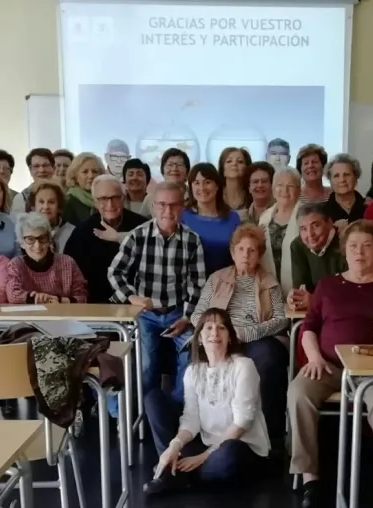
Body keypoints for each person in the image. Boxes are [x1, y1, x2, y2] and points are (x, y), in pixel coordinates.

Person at [288, 220, 373, 507]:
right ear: (344, 251)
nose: (360, 252)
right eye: (354, 246)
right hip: (328, 366)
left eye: (367, 246)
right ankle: (309, 478)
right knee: (298, 393)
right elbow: (309, 328)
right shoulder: (328, 285)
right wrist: (315, 358)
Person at [143, 308, 270, 496]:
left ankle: (177, 474)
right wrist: (174, 446)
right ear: (200, 338)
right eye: (208, 327)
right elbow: (191, 419)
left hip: (240, 446)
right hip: (206, 443)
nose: (215, 333)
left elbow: (242, 422)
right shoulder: (193, 371)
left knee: (229, 455)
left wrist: (203, 457)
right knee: (153, 399)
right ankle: (173, 464)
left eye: (221, 328)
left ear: (230, 337)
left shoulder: (244, 366)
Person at [190, 224, 289, 445]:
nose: (246, 255)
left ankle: (270, 434)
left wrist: (249, 332)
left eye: (252, 250)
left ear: (260, 255)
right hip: (220, 337)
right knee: (197, 358)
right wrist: (215, 330)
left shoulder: (269, 282)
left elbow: (281, 319)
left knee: (268, 358)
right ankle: (202, 430)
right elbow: (197, 315)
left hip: (256, 339)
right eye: (241, 249)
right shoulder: (216, 278)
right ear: (233, 253)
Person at [108, 181, 206, 402]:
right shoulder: (137, 236)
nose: (167, 211)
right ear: (153, 206)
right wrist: (131, 296)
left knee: (192, 357)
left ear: (182, 207)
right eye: (162, 204)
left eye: (174, 205)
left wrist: (187, 317)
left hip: (178, 313)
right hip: (146, 315)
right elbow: (115, 272)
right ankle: (147, 410)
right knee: (147, 365)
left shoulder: (192, 240)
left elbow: (197, 284)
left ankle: (177, 407)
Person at [65, 174, 147, 303]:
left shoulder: (142, 225)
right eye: (103, 198)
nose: (110, 204)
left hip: (137, 301)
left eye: (115, 197)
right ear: (95, 201)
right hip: (96, 304)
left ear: (123, 198)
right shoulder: (81, 233)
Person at [6, 212, 87, 304]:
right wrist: (38, 298)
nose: (37, 246)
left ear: (49, 240)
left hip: (62, 312)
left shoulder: (68, 262)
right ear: (21, 243)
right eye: (30, 239)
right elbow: (12, 295)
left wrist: (58, 300)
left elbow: (82, 297)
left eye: (42, 238)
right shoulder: (15, 264)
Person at [181, 163, 242, 275]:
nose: (202, 188)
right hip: (190, 280)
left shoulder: (233, 218)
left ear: (217, 186)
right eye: (196, 183)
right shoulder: (182, 217)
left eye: (207, 182)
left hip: (225, 280)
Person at [287, 204, 346, 312]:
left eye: (315, 226)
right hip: (315, 312)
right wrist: (295, 299)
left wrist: (315, 299)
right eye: (304, 229)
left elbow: (351, 292)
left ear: (329, 223)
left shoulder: (346, 242)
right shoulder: (298, 246)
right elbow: (301, 289)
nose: (310, 234)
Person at [259, 168, 301, 294]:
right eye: (279, 185)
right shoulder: (264, 218)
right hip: (269, 287)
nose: (284, 190)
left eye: (290, 186)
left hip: (299, 286)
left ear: (299, 190)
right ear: (273, 190)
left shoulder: (306, 216)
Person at [140, 148, 191, 219]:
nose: (174, 169)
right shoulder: (151, 198)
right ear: (162, 170)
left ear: (187, 171)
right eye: (170, 165)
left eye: (179, 165)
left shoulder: (196, 196)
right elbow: (143, 223)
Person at [322, 153, 366, 227]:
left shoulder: (370, 207)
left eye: (347, 174)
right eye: (336, 176)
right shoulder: (321, 212)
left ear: (356, 178)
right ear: (330, 181)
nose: (342, 180)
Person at [30, 180, 75, 252]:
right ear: (33, 206)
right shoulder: (27, 232)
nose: (46, 207)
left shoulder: (72, 232)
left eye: (51, 202)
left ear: (59, 206)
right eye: (41, 202)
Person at [63, 152, 106, 226]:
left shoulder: (107, 199)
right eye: (85, 172)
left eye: (95, 171)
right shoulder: (68, 202)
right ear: (75, 176)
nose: (91, 176)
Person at [12, 148, 58, 216]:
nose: (41, 170)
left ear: (53, 168)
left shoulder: (63, 195)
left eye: (45, 165)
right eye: (36, 166)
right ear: (30, 170)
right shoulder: (21, 199)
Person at [219, 147, 252, 211]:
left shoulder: (253, 195)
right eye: (229, 161)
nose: (234, 164)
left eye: (240, 161)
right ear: (222, 169)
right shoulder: (215, 196)